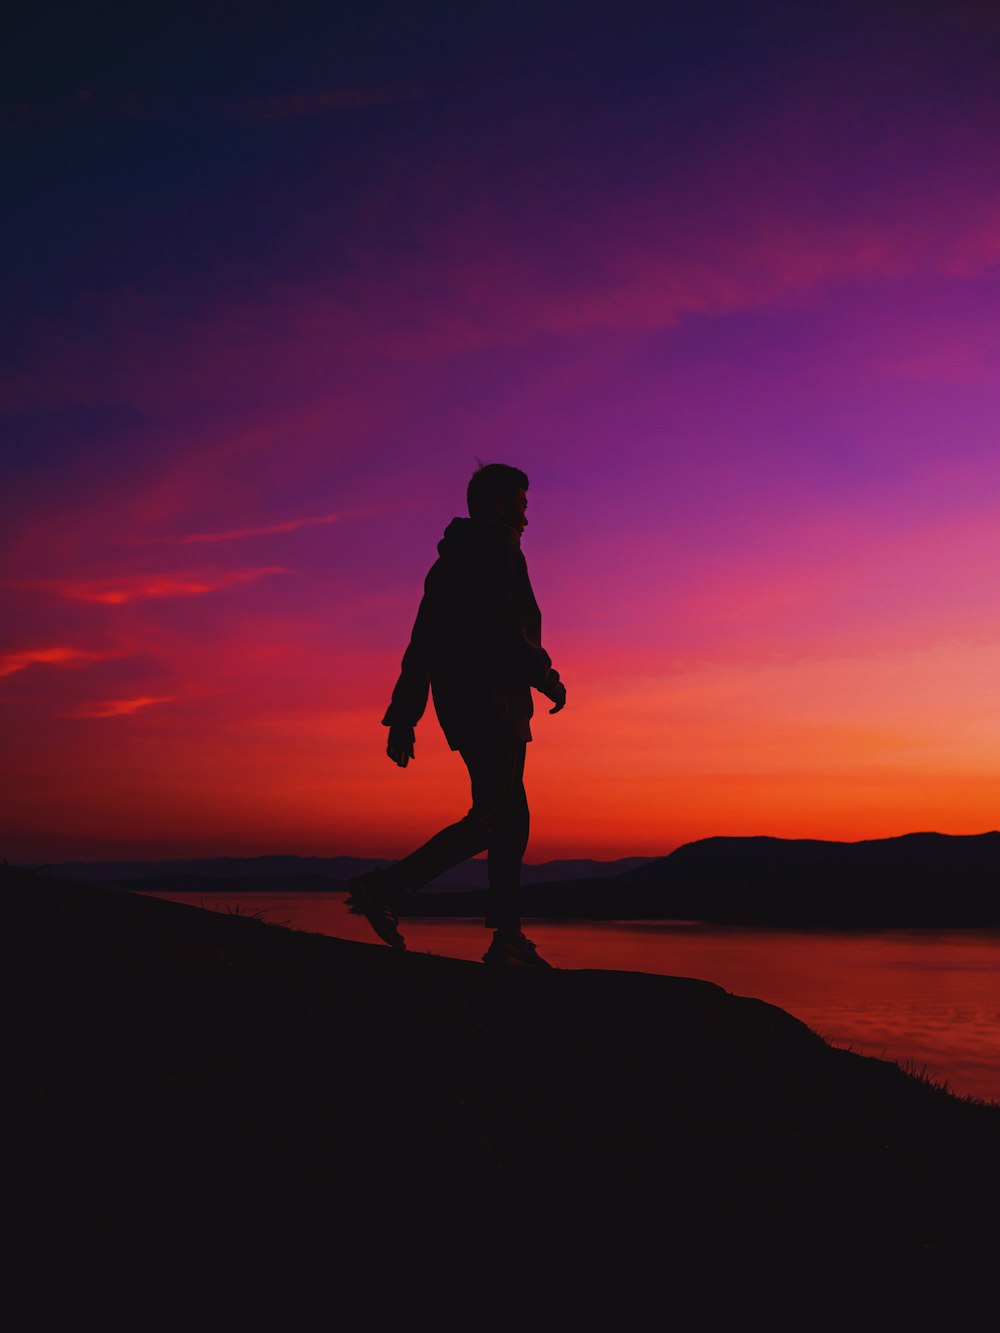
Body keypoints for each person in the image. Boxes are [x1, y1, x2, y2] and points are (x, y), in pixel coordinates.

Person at [348, 463, 566, 967]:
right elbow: (515, 635)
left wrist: (405, 715)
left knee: (511, 820)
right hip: (497, 703)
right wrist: (549, 679)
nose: (526, 518)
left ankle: (507, 938)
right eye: (521, 505)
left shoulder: (448, 563)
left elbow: (422, 641)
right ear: (497, 506)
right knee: (494, 817)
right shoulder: (502, 551)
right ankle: (386, 888)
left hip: (460, 706)